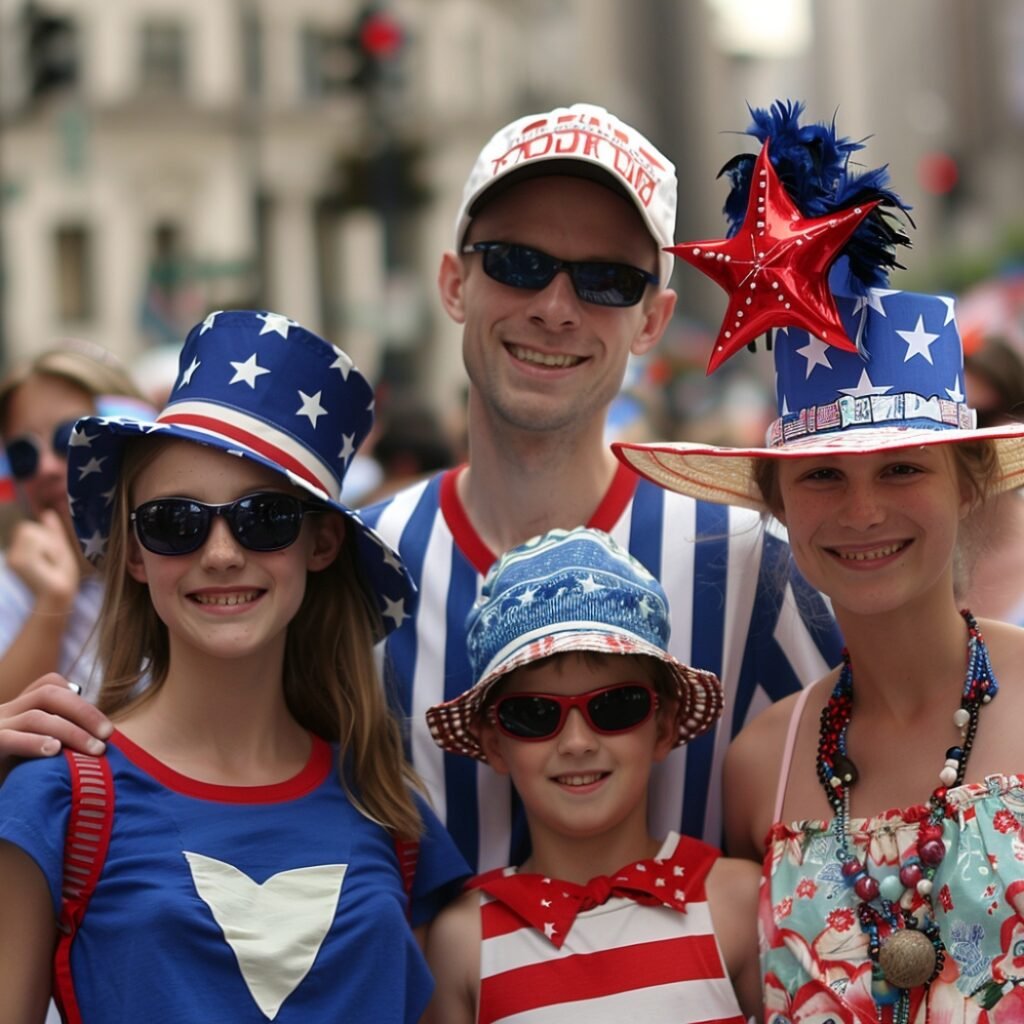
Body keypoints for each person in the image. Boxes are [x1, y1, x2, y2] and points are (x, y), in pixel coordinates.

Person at [0, 104, 840, 872]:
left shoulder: (746, 570)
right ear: (453, 283)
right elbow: (186, 772)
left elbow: (866, 799)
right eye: (517, 263)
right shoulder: (341, 570)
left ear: (652, 320)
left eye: (606, 281)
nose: (555, 307)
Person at [615, 102, 1024, 1022]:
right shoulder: (763, 762)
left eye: (903, 469)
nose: (864, 511)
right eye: (823, 477)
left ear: (967, 484)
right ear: (778, 507)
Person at [0, 310, 466, 1023]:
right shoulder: (54, 801)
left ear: (321, 544)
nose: (220, 554)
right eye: (175, 523)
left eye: (264, 519)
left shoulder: (391, 810)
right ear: (133, 555)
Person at [422, 527, 760, 1023]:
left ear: (663, 726)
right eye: (534, 713)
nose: (577, 742)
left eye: (615, 706)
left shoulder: (737, 902)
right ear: (495, 742)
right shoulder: (463, 941)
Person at [0, 342, 152, 701]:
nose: (45, 467)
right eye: (24, 454)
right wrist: (52, 601)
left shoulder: (185, 557)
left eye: (70, 437)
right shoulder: (9, 586)